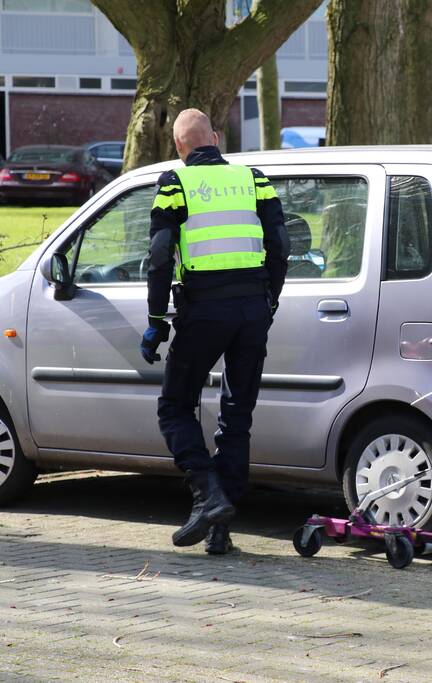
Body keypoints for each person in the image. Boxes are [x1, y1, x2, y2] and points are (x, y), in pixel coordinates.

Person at [141, 108, 289, 554]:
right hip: (251, 312)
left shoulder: (174, 184)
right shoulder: (255, 179)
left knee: (173, 406)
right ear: (216, 139)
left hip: (204, 310)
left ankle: (208, 496)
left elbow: (160, 257)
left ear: (179, 147)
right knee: (236, 416)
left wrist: (154, 321)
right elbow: (280, 245)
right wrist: (270, 301)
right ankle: (222, 528)